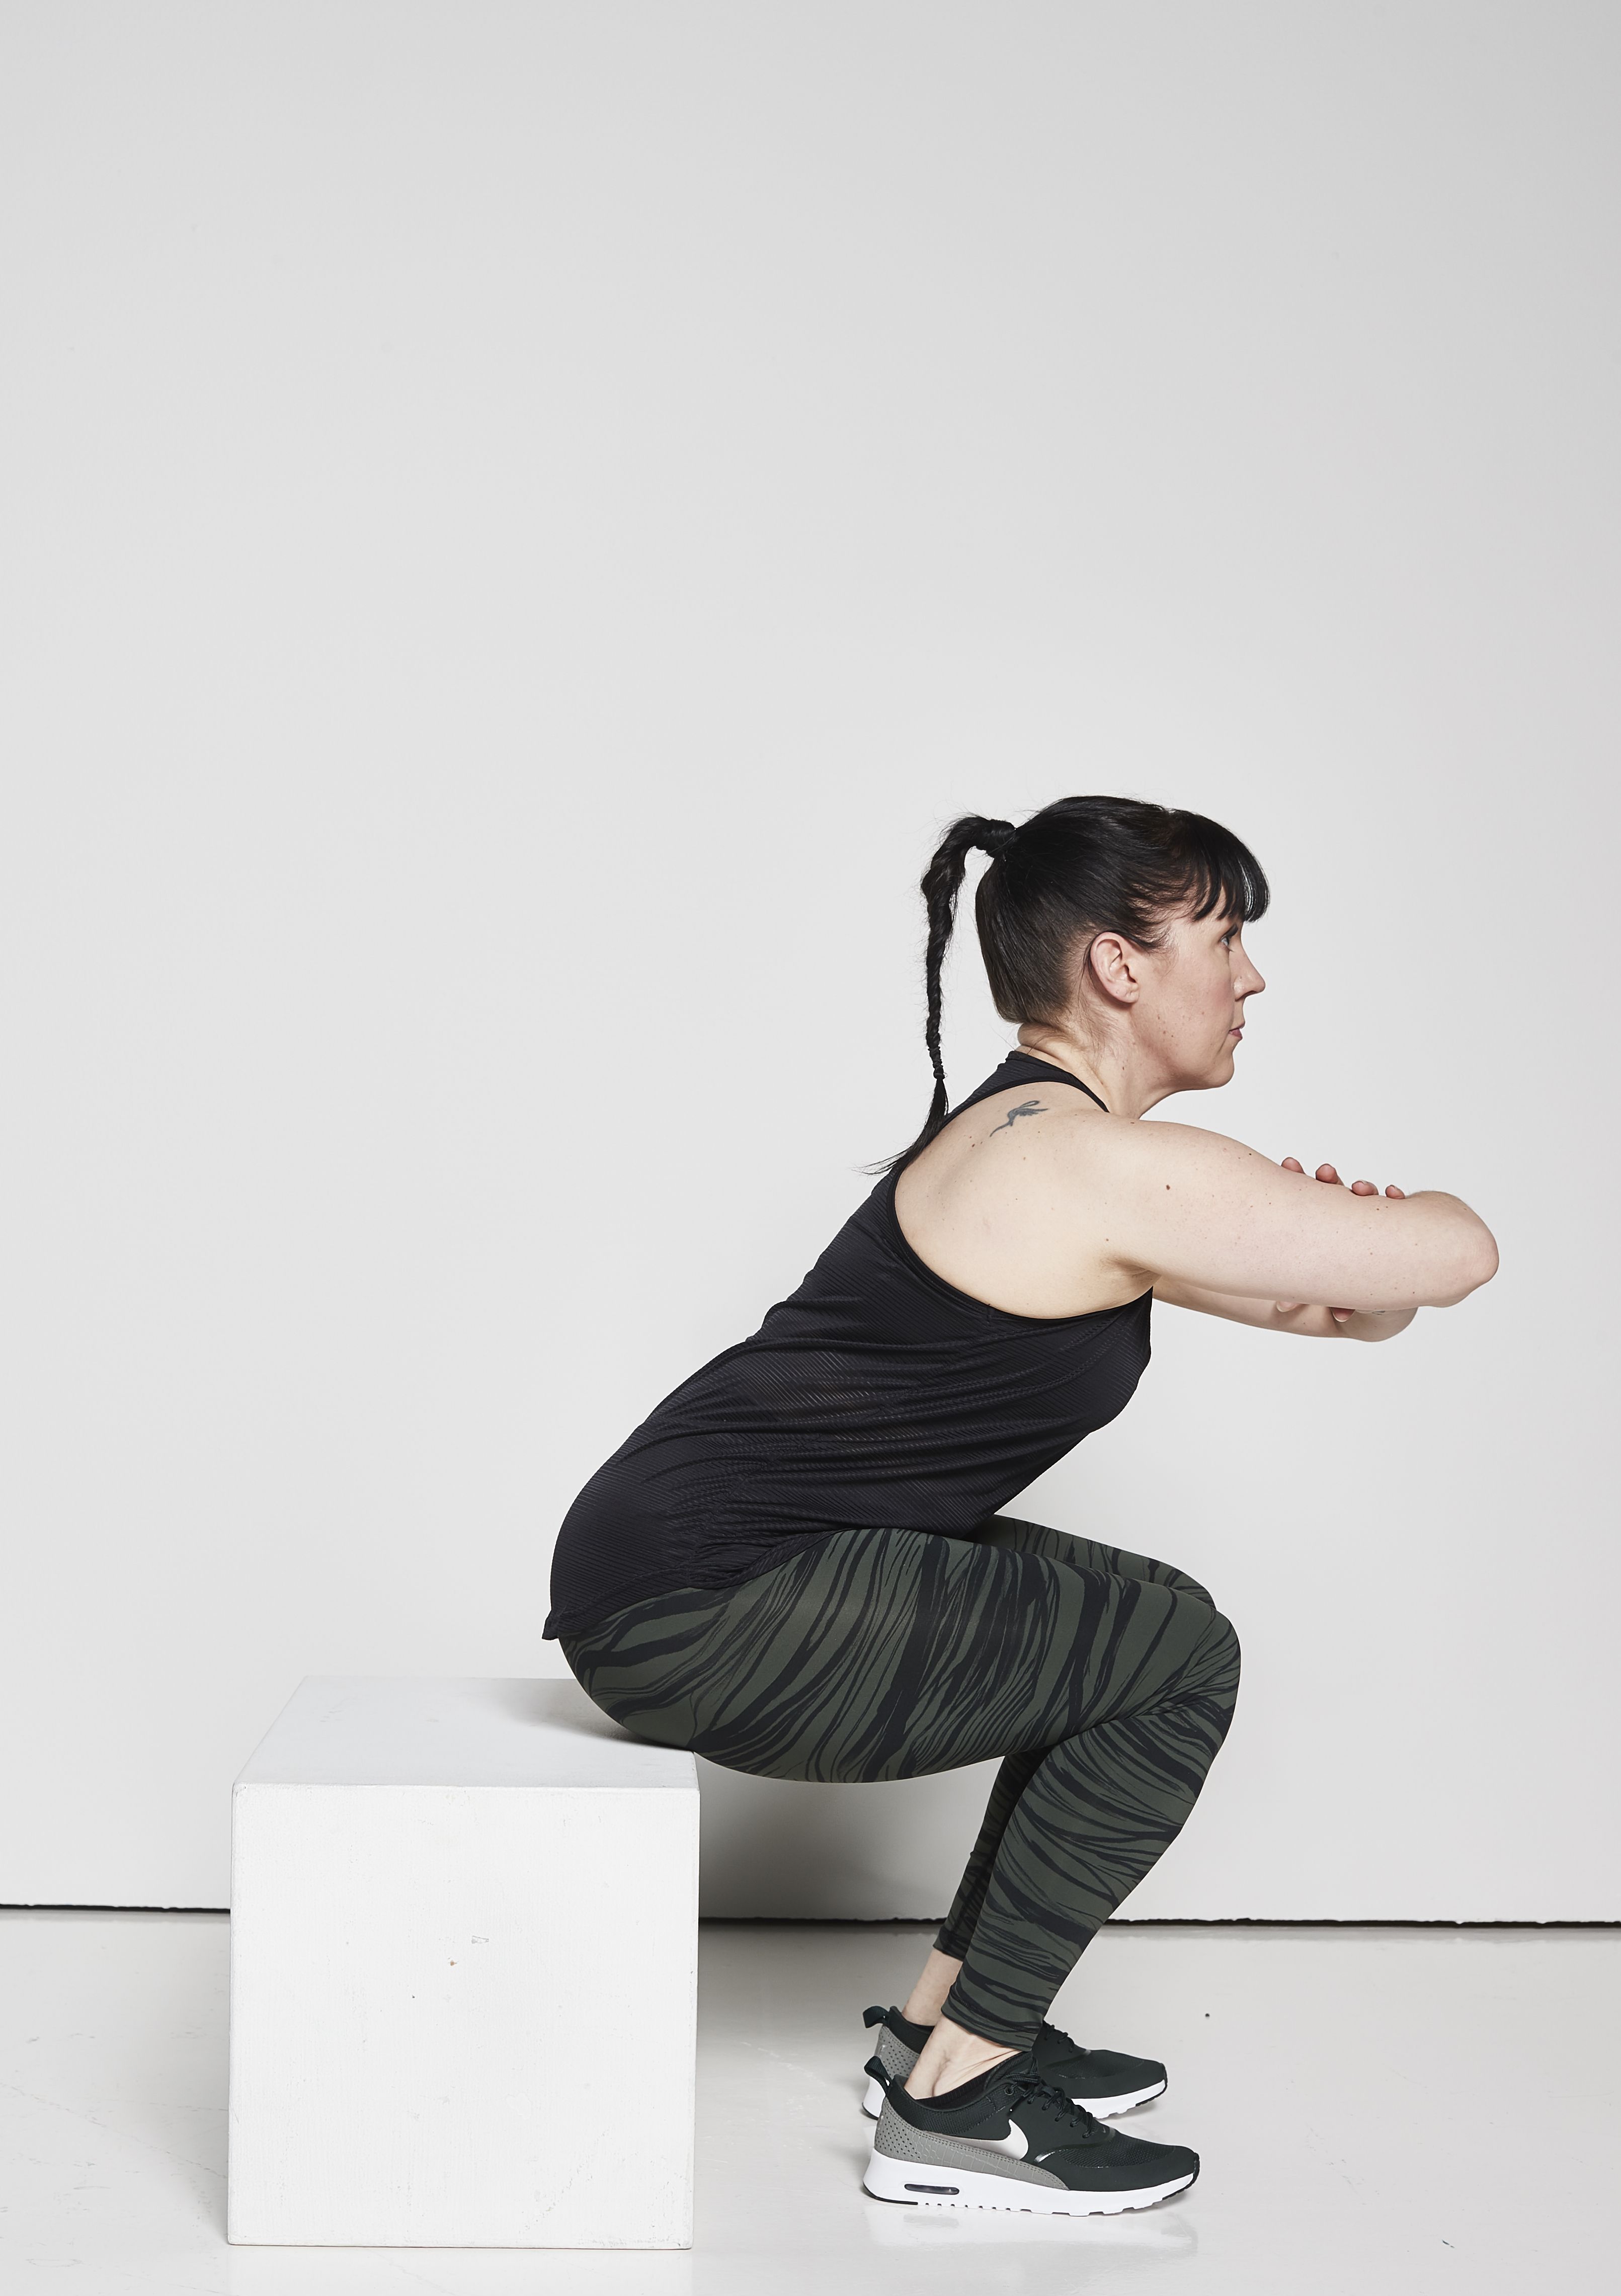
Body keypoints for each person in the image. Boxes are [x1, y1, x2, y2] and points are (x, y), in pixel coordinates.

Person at [546, 796, 1498, 2217]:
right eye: (1225, 940)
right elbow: (1461, 1252)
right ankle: (959, 2104)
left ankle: (941, 2028)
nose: (1251, 978)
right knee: (1180, 1661)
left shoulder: (1053, 1143)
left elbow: (1351, 1305)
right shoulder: (1084, 1160)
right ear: (1120, 964)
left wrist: (1367, 1270)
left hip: (693, 1569)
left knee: (1148, 1619)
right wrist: (1405, 1228)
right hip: (701, 1603)